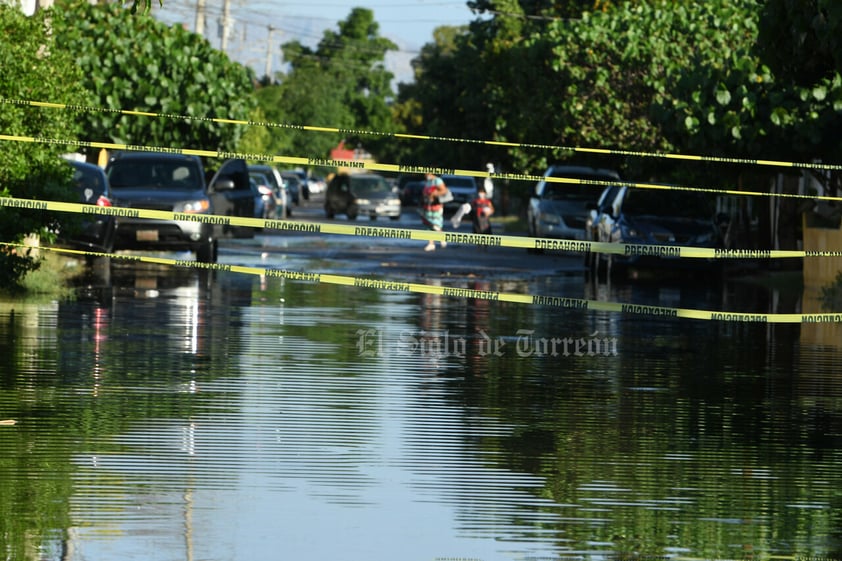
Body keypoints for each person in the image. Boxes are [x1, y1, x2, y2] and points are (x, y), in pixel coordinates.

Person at [420, 172, 449, 251]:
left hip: (436, 206)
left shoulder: (437, 180)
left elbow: (444, 190)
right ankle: (431, 243)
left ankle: (442, 237)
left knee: (436, 224)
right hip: (428, 206)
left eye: (427, 173)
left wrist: (434, 194)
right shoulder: (428, 182)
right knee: (429, 225)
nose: (426, 175)